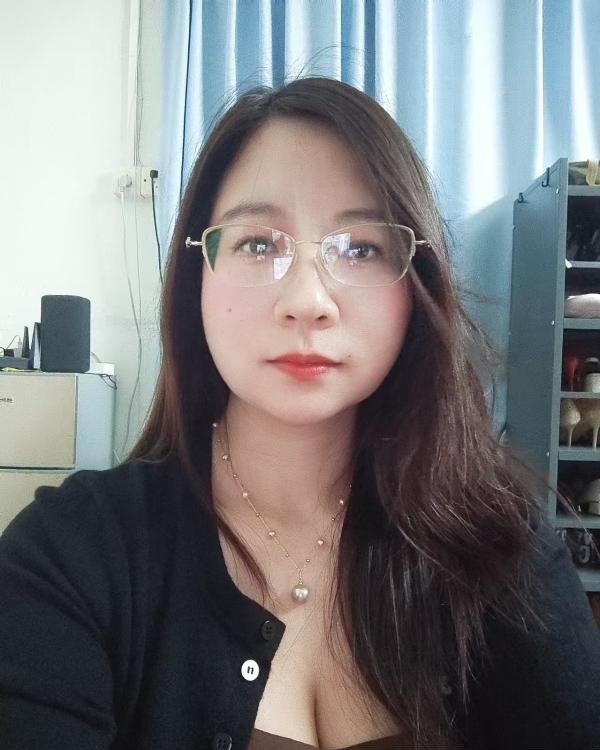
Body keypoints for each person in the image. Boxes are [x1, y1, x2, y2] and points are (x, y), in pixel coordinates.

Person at [1, 76, 600, 750]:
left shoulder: (501, 550)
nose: (308, 301)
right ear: (197, 275)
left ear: (417, 286)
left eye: (362, 248)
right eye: (259, 244)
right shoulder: (69, 556)